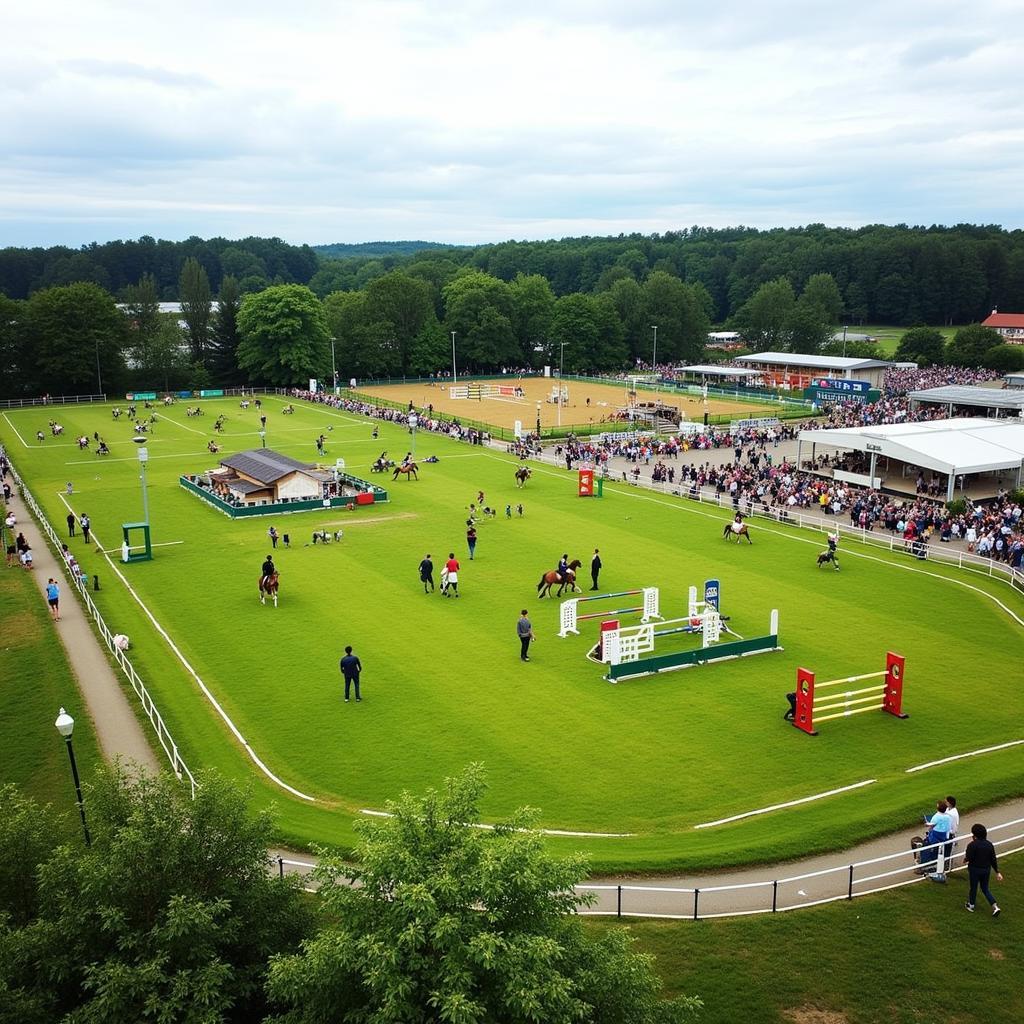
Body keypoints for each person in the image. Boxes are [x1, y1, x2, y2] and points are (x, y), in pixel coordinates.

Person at [963, 823, 1002, 916]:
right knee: (985, 888)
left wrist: (965, 860)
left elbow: (969, 857)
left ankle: (971, 905)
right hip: (986, 869)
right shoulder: (989, 845)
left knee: (974, 887)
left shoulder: (972, 845)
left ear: (974, 835)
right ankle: (995, 906)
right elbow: (993, 859)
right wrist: (997, 872)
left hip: (974, 869)